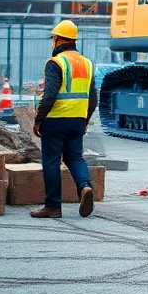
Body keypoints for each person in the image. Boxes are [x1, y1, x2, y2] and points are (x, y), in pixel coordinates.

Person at [30, 20, 98, 219]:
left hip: (56, 120)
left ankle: (52, 206)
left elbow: (50, 94)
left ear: (58, 40)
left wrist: (38, 119)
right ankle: (84, 187)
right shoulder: (87, 63)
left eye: (54, 39)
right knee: (75, 157)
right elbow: (93, 98)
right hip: (77, 119)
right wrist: (85, 120)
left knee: (51, 161)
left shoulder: (56, 62)